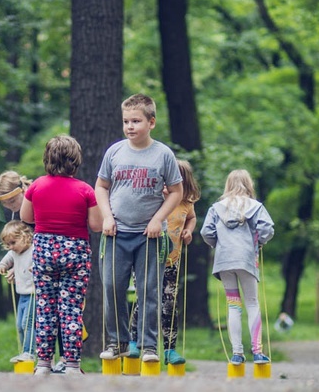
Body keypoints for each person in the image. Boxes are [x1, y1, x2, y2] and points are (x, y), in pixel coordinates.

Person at [95, 93, 184, 363]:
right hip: (116, 233)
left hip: (150, 236)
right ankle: (117, 341)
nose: (130, 126)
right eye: (126, 121)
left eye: (136, 121)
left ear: (151, 122)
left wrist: (158, 219)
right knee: (112, 287)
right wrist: (107, 217)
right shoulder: (115, 152)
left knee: (149, 291)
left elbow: (177, 192)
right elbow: (101, 186)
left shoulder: (163, 154)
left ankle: (148, 346)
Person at [20, 135, 102, 375]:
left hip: (44, 249)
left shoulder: (37, 186)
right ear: (75, 160)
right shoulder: (85, 190)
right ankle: (72, 364)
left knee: (45, 308)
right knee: (71, 309)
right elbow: (96, 225)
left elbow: (26, 218)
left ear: (47, 158)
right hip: (75, 252)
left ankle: (43, 364)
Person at [128, 159, 200, 365]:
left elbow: (191, 218)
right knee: (144, 300)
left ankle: (169, 350)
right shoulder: (155, 198)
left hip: (172, 262)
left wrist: (188, 230)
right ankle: (134, 342)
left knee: (169, 305)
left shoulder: (187, 203)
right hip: (147, 259)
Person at [200, 169, 274, 365]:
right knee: (252, 303)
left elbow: (206, 232)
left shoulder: (216, 208)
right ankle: (257, 352)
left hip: (224, 261)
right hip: (246, 260)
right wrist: (259, 241)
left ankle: (237, 353)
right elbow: (267, 229)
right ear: (249, 184)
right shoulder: (255, 207)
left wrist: (219, 244)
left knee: (233, 305)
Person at [0, 220, 36, 363]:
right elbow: (4, 261)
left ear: (25, 236)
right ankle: (23, 351)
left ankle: (29, 352)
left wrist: (36, 267)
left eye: (13, 243)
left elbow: (41, 262)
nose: (11, 247)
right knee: (19, 324)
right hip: (22, 295)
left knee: (28, 322)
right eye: (8, 245)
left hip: (34, 294)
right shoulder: (14, 253)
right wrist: (2, 266)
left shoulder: (34, 249)